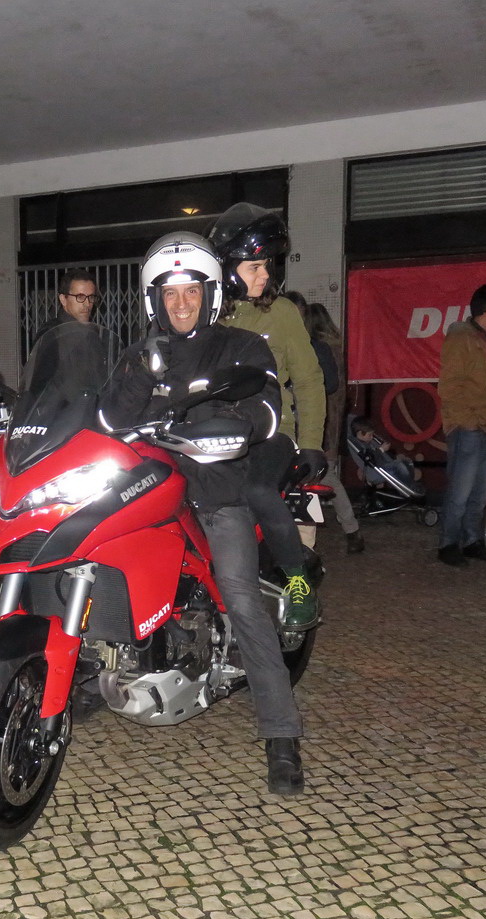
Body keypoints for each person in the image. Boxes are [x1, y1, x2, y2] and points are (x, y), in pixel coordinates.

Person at [101, 231, 305, 796]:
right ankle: (99, 675)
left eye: (191, 291)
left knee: (240, 595)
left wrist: (234, 425)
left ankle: (282, 735)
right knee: (102, 561)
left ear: (210, 294)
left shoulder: (242, 345)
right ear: (154, 301)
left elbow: (266, 409)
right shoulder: (141, 353)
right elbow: (110, 418)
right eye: (169, 294)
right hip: (147, 487)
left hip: (217, 489)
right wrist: (142, 373)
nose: (181, 303)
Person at [208, 205, 326, 626]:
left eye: (267, 266)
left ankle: (298, 580)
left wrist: (311, 442)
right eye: (255, 267)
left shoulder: (281, 313)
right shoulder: (206, 314)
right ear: (227, 269)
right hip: (212, 435)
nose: (265, 275)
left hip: (271, 432)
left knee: (258, 490)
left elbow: (309, 380)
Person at [437, 283, 486, 566]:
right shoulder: (461, 337)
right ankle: (448, 543)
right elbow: (449, 386)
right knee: (461, 489)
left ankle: (472, 540)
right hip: (468, 426)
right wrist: (467, 423)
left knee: (480, 490)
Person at [300, 299, 365, 553]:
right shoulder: (335, 347)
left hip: (320, 421)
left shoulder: (317, 350)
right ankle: (349, 529)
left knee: (320, 476)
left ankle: (347, 530)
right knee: (325, 476)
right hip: (331, 421)